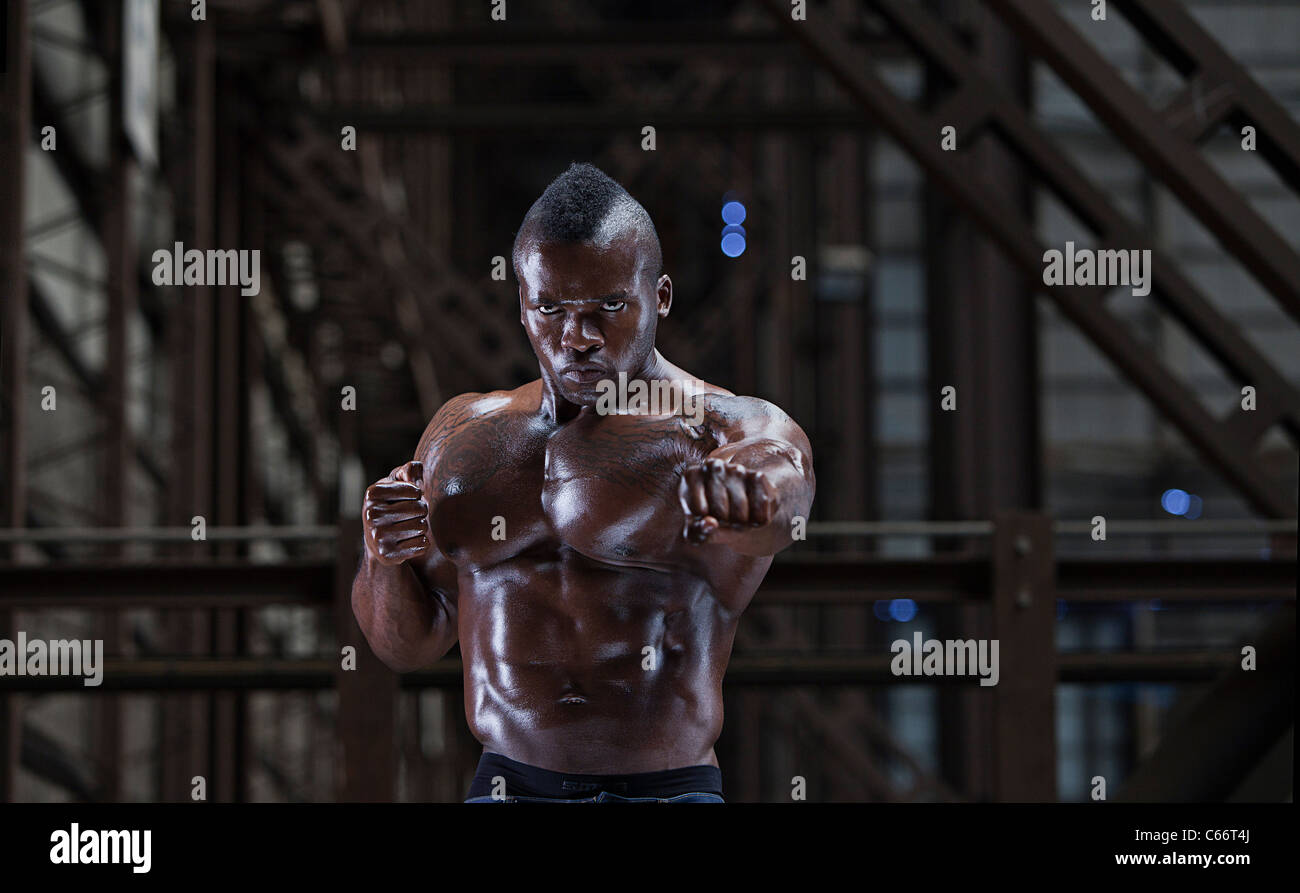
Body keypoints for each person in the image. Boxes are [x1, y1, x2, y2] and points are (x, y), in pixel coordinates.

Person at [351, 162, 815, 802]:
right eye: (551, 307)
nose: (577, 337)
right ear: (522, 303)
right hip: (505, 787)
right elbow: (402, 647)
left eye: (609, 307)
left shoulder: (721, 426)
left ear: (661, 297)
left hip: (667, 792)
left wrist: (749, 497)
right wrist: (384, 559)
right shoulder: (462, 432)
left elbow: (784, 488)